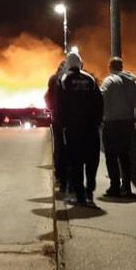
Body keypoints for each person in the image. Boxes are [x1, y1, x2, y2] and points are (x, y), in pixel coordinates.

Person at [57, 51, 103, 207]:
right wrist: (97, 122)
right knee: (91, 161)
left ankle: (79, 195)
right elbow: (99, 102)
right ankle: (90, 193)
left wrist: (63, 124)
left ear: (68, 64)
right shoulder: (90, 80)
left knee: (76, 162)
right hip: (90, 129)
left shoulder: (64, 79)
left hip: (73, 129)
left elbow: (60, 105)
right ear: (81, 63)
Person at [100, 56, 136, 197]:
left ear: (110, 67)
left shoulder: (110, 80)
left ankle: (114, 187)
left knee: (111, 156)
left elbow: (102, 97)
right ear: (122, 66)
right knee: (125, 156)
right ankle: (126, 186)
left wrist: (101, 115)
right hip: (127, 123)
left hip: (112, 123)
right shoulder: (133, 82)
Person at [44, 61, 68, 193]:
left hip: (57, 119)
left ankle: (60, 177)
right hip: (73, 120)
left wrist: (52, 109)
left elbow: (47, 97)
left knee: (59, 148)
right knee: (72, 148)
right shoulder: (72, 77)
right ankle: (71, 179)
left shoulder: (54, 78)